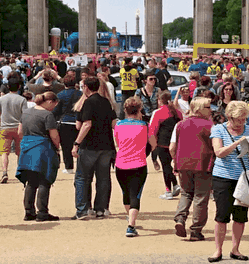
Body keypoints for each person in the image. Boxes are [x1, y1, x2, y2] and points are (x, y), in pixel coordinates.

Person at [209, 101, 249, 262]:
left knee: (240, 216)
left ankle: (235, 249)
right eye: (239, 119)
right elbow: (219, 152)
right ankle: (218, 250)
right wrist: (238, 142)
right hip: (223, 176)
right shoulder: (218, 129)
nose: (242, 123)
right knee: (222, 215)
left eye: (244, 119)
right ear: (229, 117)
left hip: (243, 178)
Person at [171, 95, 215, 242]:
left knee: (186, 193)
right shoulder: (210, 126)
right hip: (203, 163)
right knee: (200, 197)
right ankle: (196, 230)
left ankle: (180, 219)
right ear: (200, 109)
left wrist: (175, 161)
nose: (211, 110)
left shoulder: (180, 124)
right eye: (208, 107)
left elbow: (173, 147)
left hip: (183, 163)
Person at [72, 76, 117, 220]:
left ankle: (83, 209)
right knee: (103, 178)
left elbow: (84, 125)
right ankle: (100, 209)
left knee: (82, 178)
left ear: (86, 87)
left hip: (89, 145)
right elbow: (113, 123)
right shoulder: (106, 102)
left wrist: (76, 143)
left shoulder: (87, 103)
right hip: (106, 144)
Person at [16, 91, 62, 222]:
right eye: (54, 104)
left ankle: (29, 211)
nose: (54, 107)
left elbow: (20, 131)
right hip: (42, 148)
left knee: (31, 181)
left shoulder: (25, 112)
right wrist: (57, 147)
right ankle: (42, 212)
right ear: (49, 102)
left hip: (27, 147)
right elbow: (54, 135)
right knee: (44, 180)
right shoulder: (47, 115)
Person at [113, 97, 154, 237]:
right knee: (135, 194)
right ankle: (131, 225)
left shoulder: (118, 125)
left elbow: (118, 143)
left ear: (125, 110)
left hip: (121, 164)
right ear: (140, 109)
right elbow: (153, 143)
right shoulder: (145, 126)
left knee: (126, 193)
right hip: (139, 164)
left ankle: (130, 217)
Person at [150, 91, 181, 200]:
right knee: (171, 166)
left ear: (159, 100)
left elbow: (153, 130)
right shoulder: (177, 112)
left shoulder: (158, 112)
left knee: (166, 167)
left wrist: (152, 145)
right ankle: (175, 185)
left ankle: (168, 191)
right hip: (176, 143)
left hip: (162, 144)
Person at [0, 81, 28, 184]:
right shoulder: (22, 99)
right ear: (18, 87)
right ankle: (20, 172)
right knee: (20, 152)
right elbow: (25, 115)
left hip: (5, 127)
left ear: (8, 87)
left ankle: (4, 172)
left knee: (4, 152)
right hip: (18, 127)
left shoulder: (1, 99)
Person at [54, 74, 82, 174]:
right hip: (78, 122)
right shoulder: (81, 94)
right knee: (79, 144)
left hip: (65, 121)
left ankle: (69, 167)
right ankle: (81, 165)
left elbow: (56, 110)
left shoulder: (60, 95)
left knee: (66, 146)